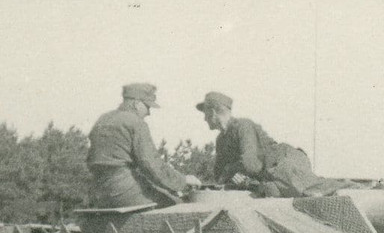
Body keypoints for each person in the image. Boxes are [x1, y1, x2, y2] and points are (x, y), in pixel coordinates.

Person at [196, 91, 348, 198]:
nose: (204, 119)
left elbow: (251, 164)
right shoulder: (221, 140)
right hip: (268, 175)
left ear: (213, 112)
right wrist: (235, 176)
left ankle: (359, 188)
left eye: (205, 114)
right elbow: (219, 176)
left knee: (313, 191)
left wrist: (231, 170)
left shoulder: (243, 126)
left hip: (283, 163)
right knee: (271, 191)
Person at [86, 83, 201, 207]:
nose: (149, 113)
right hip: (123, 189)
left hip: (97, 190)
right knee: (180, 205)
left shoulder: (103, 119)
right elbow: (151, 165)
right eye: (148, 107)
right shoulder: (136, 123)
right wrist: (183, 181)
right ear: (136, 103)